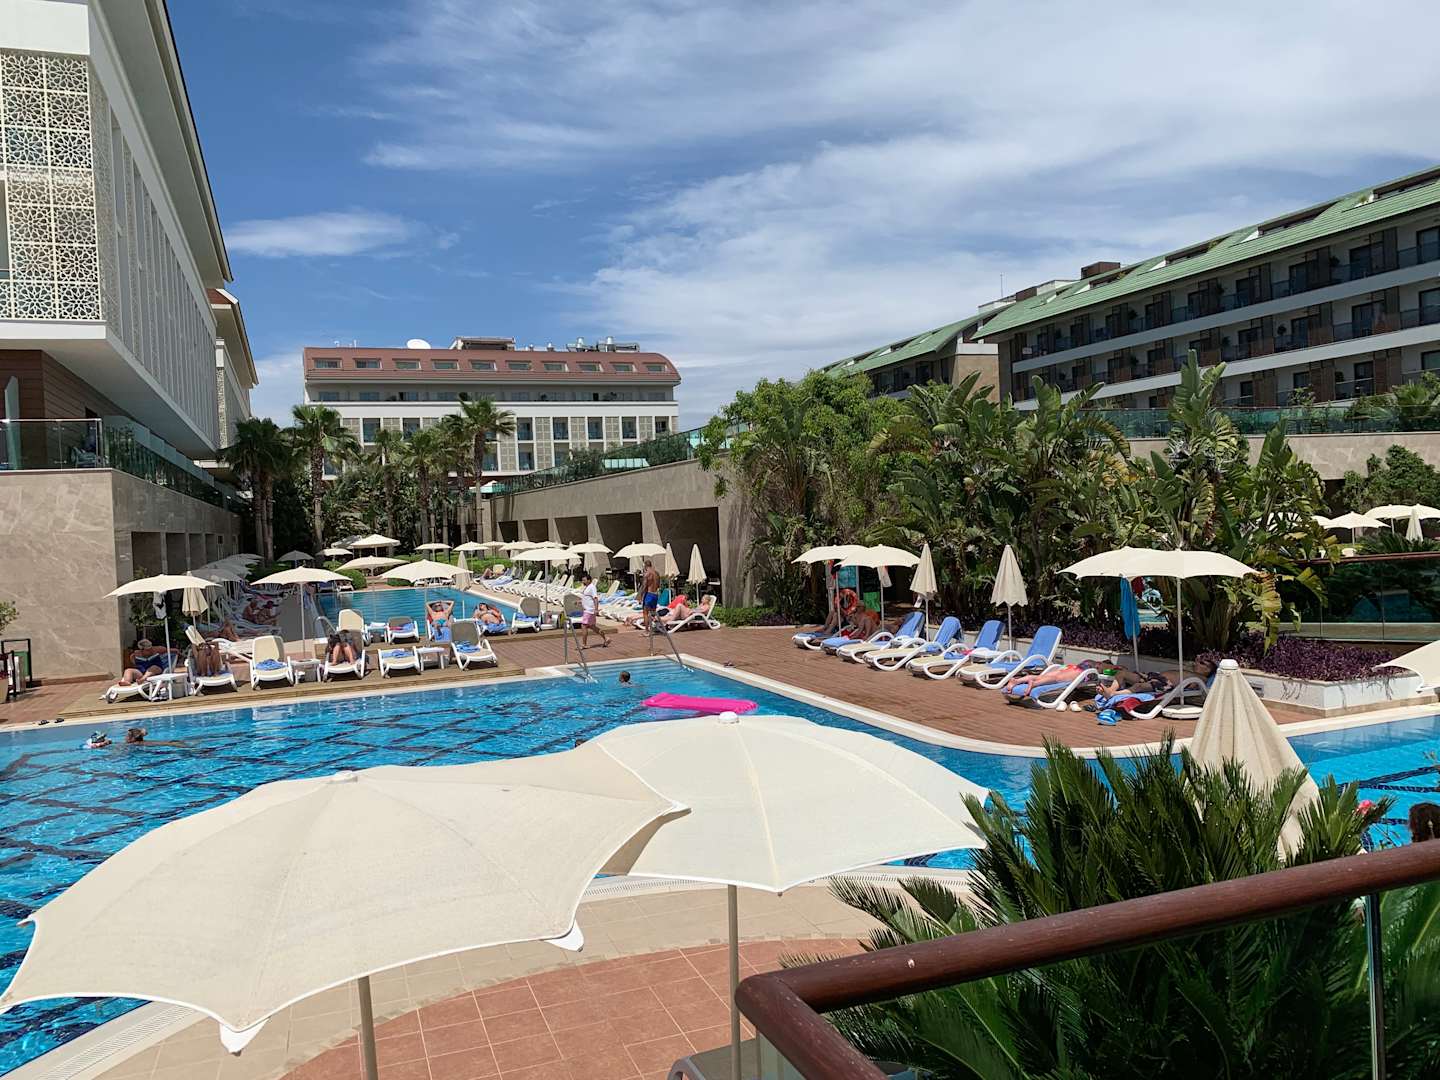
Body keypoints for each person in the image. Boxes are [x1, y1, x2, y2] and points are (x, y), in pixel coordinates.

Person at [578, 573, 609, 648]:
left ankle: (584, 644)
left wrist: (596, 609)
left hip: (589, 610)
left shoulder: (592, 587)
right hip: (588, 610)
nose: (583, 582)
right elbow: (587, 598)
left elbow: (595, 598)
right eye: (582, 580)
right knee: (592, 627)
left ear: (589, 580)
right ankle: (606, 638)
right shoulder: (587, 587)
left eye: (584, 580)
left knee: (584, 626)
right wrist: (579, 601)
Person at [640, 558, 661, 633]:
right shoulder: (657, 573)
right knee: (653, 613)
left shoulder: (647, 574)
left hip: (649, 594)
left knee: (645, 613)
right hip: (655, 595)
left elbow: (644, 586)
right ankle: (653, 629)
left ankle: (646, 631)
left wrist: (641, 596)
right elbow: (658, 585)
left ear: (645, 566)